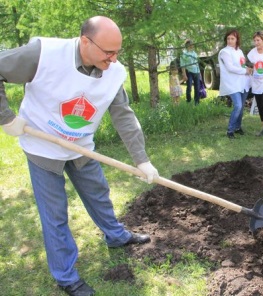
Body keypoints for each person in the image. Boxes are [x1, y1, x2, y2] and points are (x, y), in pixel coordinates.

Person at [0, 16, 159, 296]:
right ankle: (66, 276)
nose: (113, 59)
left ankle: (116, 236)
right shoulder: (43, 53)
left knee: (99, 193)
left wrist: (141, 159)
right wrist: (5, 117)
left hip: (81, 145)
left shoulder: (113, 71)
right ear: (85, 41)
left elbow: (123, 116)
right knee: (55, 214)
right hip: (43, 146)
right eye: (108, 52)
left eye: (117, 52)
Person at [218, 29, 252, 139]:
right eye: (228, 38)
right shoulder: (224, 52)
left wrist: (247, 68)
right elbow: (230, 68)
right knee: (237, 106)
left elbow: (241, 65)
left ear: (237, 39)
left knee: (241, 107)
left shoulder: (239, 51)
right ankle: (230, 130)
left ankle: (238, 127)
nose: (230, 40)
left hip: (242, 83)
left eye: (232, 38)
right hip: (232, 83)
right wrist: (245, 71)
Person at [180, 39, 201, 105]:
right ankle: (188, 101)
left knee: (197, 87)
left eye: (192, 44)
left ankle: (196, 102)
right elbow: (183, 65)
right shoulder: (184, 54)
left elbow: (197, 63)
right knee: (189, 87)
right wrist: (184, 74)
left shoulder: (194, 53)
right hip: (189, 72)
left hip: (196, 72)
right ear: (187, 45)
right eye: (191, 44)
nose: (192, 45)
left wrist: (199, 73)